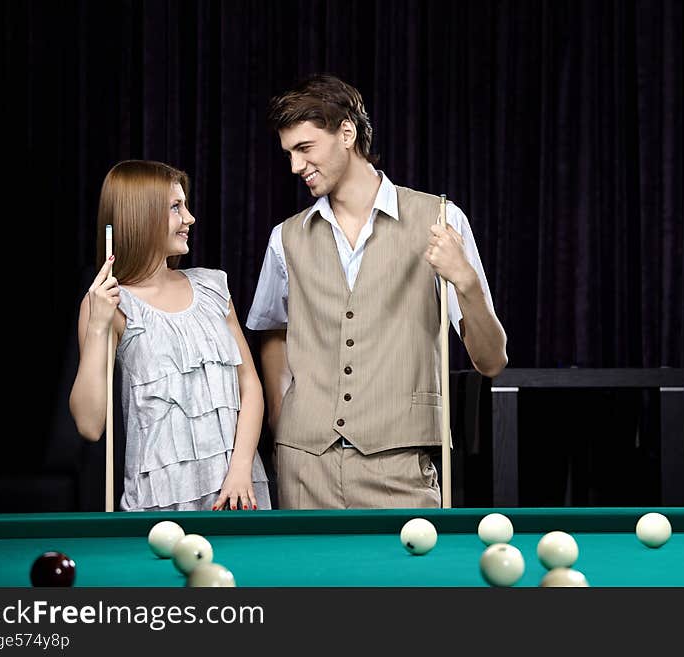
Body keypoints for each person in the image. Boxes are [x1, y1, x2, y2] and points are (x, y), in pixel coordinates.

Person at [246, 74, 507, 509]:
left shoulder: (440, 219)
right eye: (288, 153)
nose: (295, 167)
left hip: (400, 463)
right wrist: (281, 416)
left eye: (304, 149)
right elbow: (273, 332)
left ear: (346, 132)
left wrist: (466, 282)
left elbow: (492, 360)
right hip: (304, 466)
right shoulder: (285, 238)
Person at [70, 160, 270, 512]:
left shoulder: (213, 288)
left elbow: (250, 386)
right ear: (141, 216)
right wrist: (99, 323)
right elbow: (89, 425)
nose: (190, 218)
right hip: (162, 505)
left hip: (240, 495)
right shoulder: (108, 303)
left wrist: (241, 470)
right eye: (176, 207)